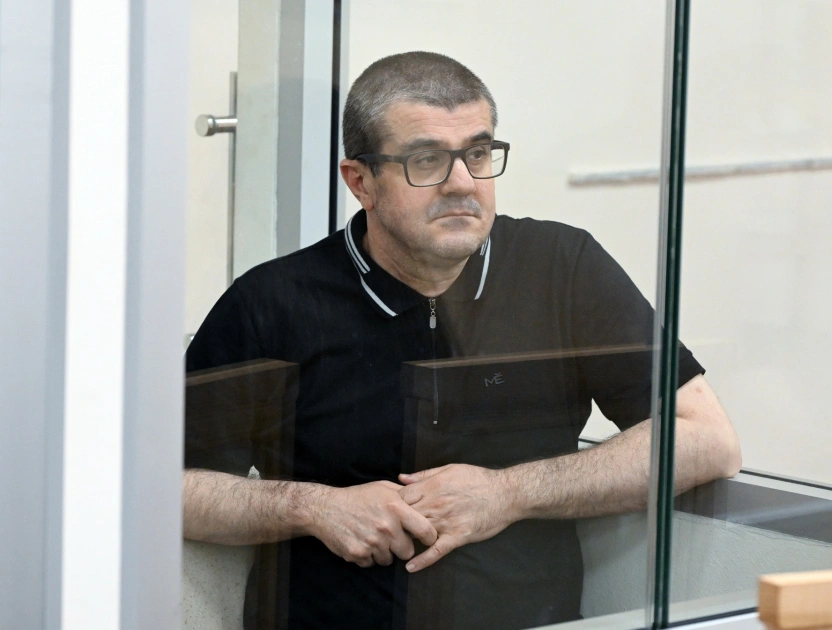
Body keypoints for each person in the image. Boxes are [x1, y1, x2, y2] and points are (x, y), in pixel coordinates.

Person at [183, 51, 741, 630]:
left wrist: (508, 493)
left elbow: (706, 439)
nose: (463, 184)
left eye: (477, 153)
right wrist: (315, 507)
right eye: (426, 160)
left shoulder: (562, 267)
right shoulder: (272, 302)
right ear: (361, 182)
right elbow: (165, 487)